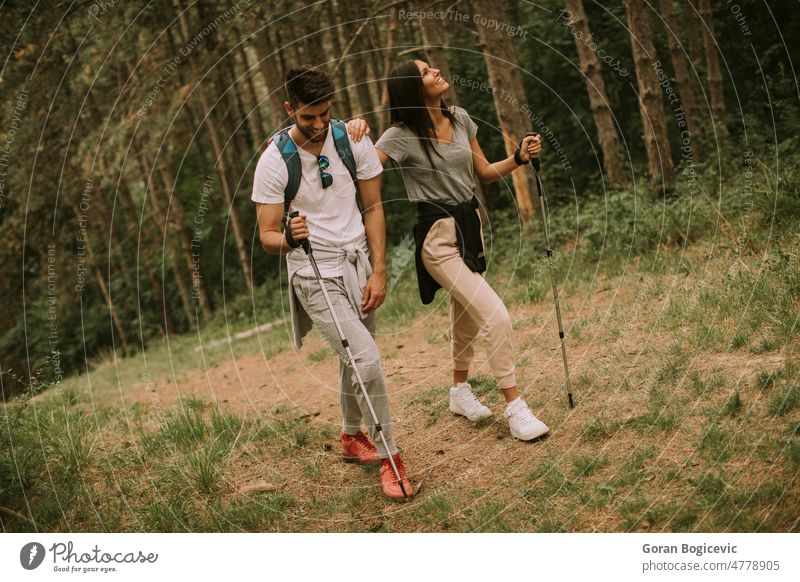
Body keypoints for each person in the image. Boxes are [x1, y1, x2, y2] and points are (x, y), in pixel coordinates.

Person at [366, 59, 550, 441]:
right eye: (425, 72)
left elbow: (482, 172)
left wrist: (518, 158)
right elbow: (362, 168)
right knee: (495, 315)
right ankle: (515, 407)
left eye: (432, 67)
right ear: (412, 89)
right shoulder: (399, 136)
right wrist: (352, 131)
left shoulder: (461, 118)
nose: (435, 72)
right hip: (437, 237)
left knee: (465, 311)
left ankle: (459, 390)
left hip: (470, 226)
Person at [252, 65, 413, 500]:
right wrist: (287, 238)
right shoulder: (273, 161)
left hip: (358, 263)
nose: (319, 125)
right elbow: (266, 234)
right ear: (289, 109)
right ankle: (390, 458)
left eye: (325, 114)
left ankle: (349, 436)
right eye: (308, 117)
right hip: (312, 272)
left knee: (352, 355)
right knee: (366, 358)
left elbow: (374, 207)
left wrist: (379, 270)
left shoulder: (351, 140)